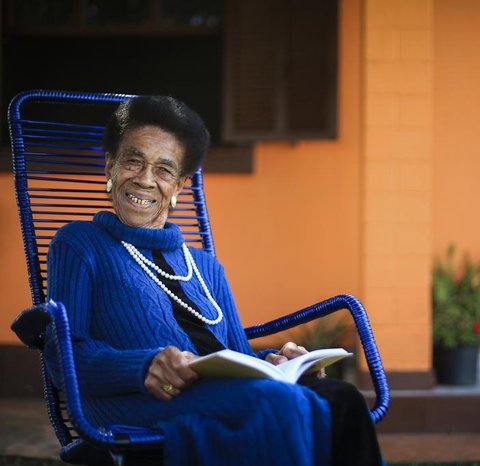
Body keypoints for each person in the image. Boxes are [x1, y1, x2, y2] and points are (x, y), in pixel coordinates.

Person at [43, 95, 383, 466]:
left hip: (226, 391)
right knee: (273, 403)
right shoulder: (79, 244)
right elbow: (63, 357)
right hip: (140, 400)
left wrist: (276, 361)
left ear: (180, 186)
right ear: (111, 166)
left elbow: (235, 352)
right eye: (133, 161)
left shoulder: (205, 266)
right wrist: (144, 366)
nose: (144, 179)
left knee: (342, 398)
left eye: (163, 170)